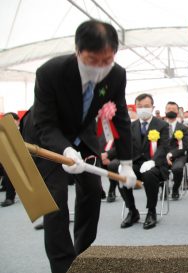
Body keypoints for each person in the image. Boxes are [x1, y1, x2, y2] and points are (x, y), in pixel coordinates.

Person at [20, 20, 137, 273]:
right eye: (93, 60)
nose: (100, 68)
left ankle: (82, 254)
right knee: (56, 198)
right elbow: (47, 124)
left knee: (93, 190)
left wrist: (127, 164)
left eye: (107, 60)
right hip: (45, 136)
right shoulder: (50, 72)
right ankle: (62, 266)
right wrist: (65, 151)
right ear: (77, 51)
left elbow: (121, 119)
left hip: (81, 134)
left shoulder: (117, 75)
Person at [119, 93, 169, 230]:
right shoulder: (131, 126)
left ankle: (151, 211)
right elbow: (125, 146)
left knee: (150, 174)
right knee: (122, 176)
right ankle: (132, 211)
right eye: (139, 106)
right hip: (136, 163)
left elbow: (164, 146)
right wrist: (123, 164)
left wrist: (153, 161)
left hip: (155, 165)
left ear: (153, 107)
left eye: (146, 106)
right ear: (135, 108)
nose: (143, 109)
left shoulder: (162, 125)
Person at [165, 101, 188, 200]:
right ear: (165, 110)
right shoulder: (159, 126)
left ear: (178, 112)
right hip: (162, 155)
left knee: (177, 169)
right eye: (168, 109)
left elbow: (186, 146)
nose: (171, 111)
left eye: (173, 109)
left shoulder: (184, 129)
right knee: (156, 167)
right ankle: (164, 188)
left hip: (179, 155)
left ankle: (175, 189)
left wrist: (171, 154)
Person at [0, 112, 19, 207]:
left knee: (8, 169)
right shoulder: (3, 133)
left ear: (17, 121)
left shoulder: (21, 131)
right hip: (5, 158)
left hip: (19, 159)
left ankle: (9, 197)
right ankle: (4, 186)